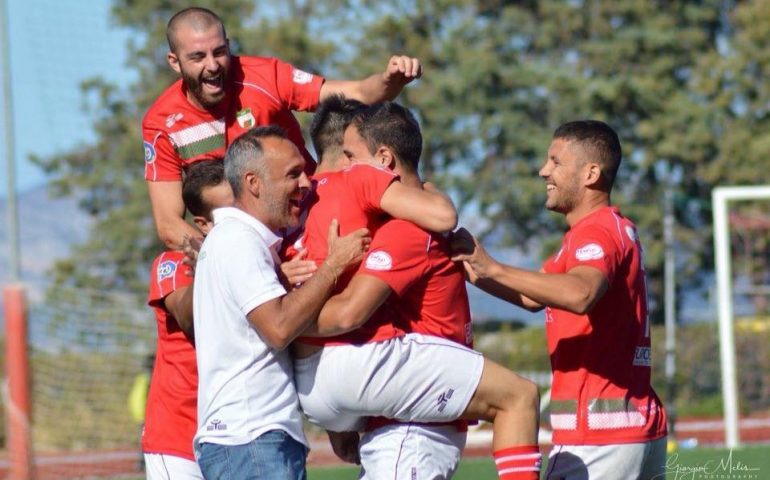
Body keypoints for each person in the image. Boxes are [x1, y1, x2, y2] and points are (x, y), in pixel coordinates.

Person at [293, 102, 542, 480]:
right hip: (411, 431)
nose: (342, 167)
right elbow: (347, 314)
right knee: (519, 396)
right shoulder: (405, 227)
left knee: (518, 396)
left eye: (349, 156)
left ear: (384, 158)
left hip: (407, 417)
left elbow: (530, 299)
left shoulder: (409, 223)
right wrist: (284, 322)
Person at [451, 120, 667, 479]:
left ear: (591, 174)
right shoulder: (598, 231)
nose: (543, 171)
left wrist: (494, 267)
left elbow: (580, 294)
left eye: (555, 161)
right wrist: (469, 266)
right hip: (626, 430)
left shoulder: (595, 233)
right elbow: (534, 296)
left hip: (600, 437)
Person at [143, 6, 422, 250]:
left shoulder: (264, 76)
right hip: (241, 248)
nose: (213, 65)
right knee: (172, 281)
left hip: (311, 220)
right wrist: (229, 261)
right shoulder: (161, 123)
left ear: (229, 45)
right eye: (198, 57)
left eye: (219, 52)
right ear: (174, 62)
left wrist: (389, 81)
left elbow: (357, 92)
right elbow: (169, 224)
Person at [191, 126, 371, 480]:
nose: (306, 183)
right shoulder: (239, 241)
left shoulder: (238, 241)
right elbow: (279, 328)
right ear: (254, 183)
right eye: (293, 174)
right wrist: (335, 265)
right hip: (251, 442)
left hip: (252, 443)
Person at [143, 160, 233, 479]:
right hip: (177, 438)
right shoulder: (171, 264)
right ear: (202, 223)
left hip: (234, 433)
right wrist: (209, 267)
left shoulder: (256, 263)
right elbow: (189, 317)